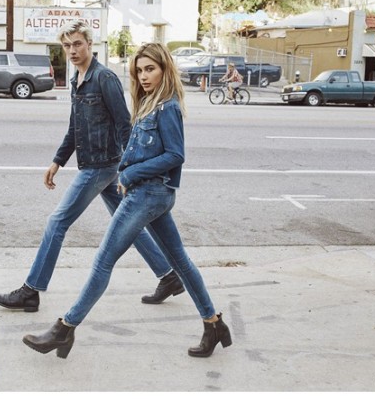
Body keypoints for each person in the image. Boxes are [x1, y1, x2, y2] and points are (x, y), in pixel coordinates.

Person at [23, 43, 232, 359]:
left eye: (150, 69)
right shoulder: (149, 102)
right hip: (150, 195)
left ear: (165, 69)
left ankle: (65, 329)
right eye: (139, 70)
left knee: (103, 262)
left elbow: (175, 155)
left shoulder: (167, 107)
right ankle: (213, 324)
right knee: (180, 263)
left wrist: (131, 173)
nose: (143, 76)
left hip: (148, 195)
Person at [0, 21, 183, 313]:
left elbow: (125, 125)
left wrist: (132, 170)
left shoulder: (104, 78)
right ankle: (168, 276)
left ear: (90, 44)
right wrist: (58, 161)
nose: (72, 50)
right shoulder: (76, 79)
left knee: (57, 222)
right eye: (67, 45)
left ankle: (31, 290)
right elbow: (75, 126)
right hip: (99, 165)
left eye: (77, 44)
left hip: (103, 166)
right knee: (129, 223)